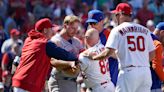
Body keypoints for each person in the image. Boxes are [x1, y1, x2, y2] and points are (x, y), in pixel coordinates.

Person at [86, 3, 155, 92]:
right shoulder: (145, 30)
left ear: (120, 14)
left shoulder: (117, 30)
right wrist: (139, 62)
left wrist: (94, 57)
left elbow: (107, 53)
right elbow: (153, 54)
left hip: (128, 72)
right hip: (145, 72)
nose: (115, 17)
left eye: (116, 14)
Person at [12, 18, 79, 92]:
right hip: (28, 84)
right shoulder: (45, 44)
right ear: (45, 30)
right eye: (50, 28)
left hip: (18, 81)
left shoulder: (29, 40)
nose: (52, 31)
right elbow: (65, 55)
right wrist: (79, 57)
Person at [48, 15, 84, 92]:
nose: (75, 31)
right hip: (59, 80)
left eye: (76, 29)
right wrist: (70, 63)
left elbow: (83, 58)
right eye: (72, 28)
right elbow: (53, 62)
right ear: (65, 26)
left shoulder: (77, 41)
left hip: (73, 82)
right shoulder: (55, 41)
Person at [86, 9, 118, 86]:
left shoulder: (109, 35)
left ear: (102, 22)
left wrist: (103, 53)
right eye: (90, 23)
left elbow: (117, 55)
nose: (92, 26)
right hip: (95, 76)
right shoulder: (89, 34)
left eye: (94, 23)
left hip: (110, 74)